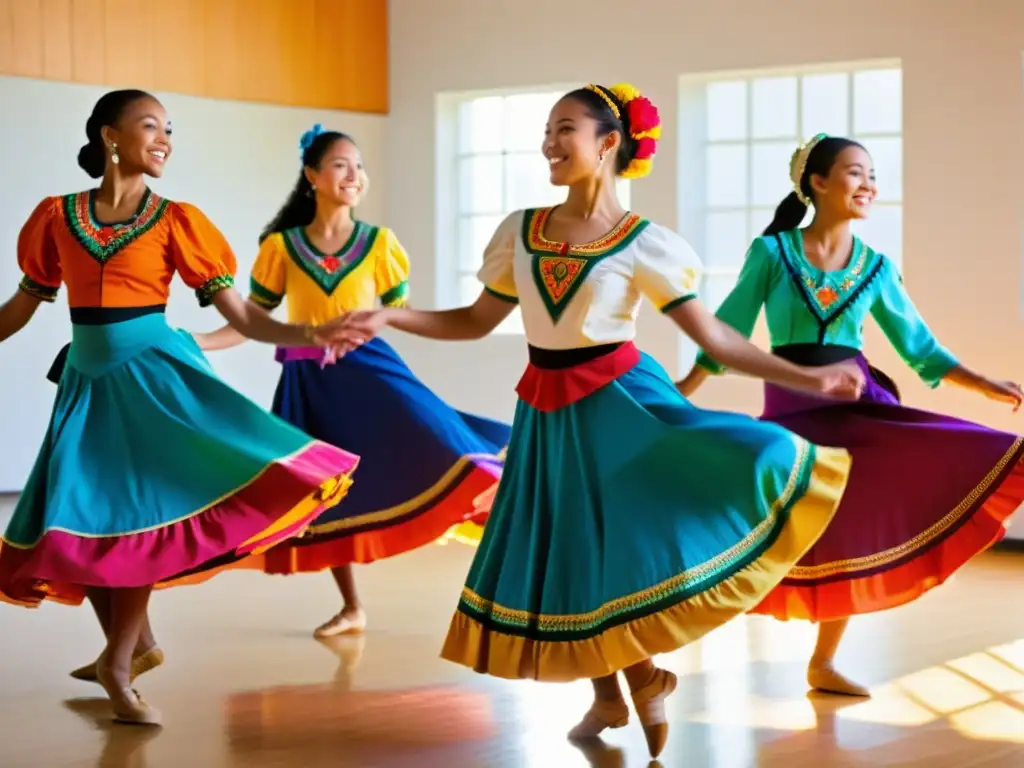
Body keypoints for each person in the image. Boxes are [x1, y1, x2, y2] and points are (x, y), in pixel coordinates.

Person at [332, 82, 868, 758]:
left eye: (565, 130)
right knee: (569, 553)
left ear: (608, 143)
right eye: (548, 131)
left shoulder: (646, 244)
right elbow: (473, 321)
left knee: (614, 546)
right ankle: (615, 692)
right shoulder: (521, 230)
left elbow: (718, 339)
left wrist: (807, 375)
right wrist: (388, 316)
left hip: (622, 405)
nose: (549, 144)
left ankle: (640, 682)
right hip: (547, 412)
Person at [0, 89, 362, 726]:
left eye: (170, 129)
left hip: (156, 381)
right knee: (75, 516)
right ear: (110, 136)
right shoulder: (56, 217)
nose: (165, 138)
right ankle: (136, 643)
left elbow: (244, 316)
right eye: (150, 126)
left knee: (144, 511)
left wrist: (309, 334)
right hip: (87, 383)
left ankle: (119, 658)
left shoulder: (177, 220)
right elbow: (20, 308)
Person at [677, 133, 1024, 697]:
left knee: (851, 523)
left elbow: (921, 348)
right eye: (856, 172)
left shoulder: (877, 268)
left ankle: (824, 663)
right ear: (817, 182)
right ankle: (680, 627)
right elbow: (729, 327)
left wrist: (983, 383)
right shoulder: (773, 253)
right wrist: (685, 388)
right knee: (768, 517)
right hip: (792, 403)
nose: (869, 184)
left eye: (872, 174)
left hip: (858, 407)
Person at [189, 125, 510, 638]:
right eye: (340, 164)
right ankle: (352, 606)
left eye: (358, 165)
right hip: (307, 384)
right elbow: (251, 320)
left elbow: (394, 310)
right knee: (327, 491)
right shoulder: (281, 248)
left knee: (442, 440)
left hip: (370, 374)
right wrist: (197, 340)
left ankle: (508, 536)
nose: (353, 175)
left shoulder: (380, 244)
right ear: (312, 175)